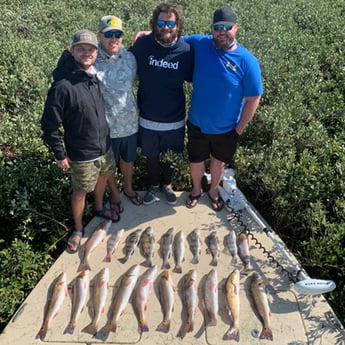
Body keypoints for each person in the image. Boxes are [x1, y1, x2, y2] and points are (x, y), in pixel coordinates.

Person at [41, 29, 121, 254]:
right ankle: (77, 228)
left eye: (91, 49)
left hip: (104, 146)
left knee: (104, 177)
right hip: (82, 152)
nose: (86, 53)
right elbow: (49, 125)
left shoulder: (93, 76)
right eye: (81, 49)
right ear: (72, 51)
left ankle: (98, 208)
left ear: (96, 53)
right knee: (80, 190)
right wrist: (59, 153)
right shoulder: (62, 86)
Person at [184, 6, 263, 211]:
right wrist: (149, 34)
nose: (222, 31)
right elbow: (173, 39)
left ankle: (212, 191)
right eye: (218, 27)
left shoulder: (247, 61)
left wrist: (238, 130)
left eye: (227, 27)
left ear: (236, 28)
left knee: (218, 163)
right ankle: (195, 190)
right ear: (212, 29)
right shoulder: (201, 43)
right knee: (196, 160)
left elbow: (254, 98)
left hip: (227, 129)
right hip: (196, 123)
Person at [130, 2, 194, 205]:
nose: (165, 27)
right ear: (154, 23)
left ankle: (167, 185)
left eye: (170, 23)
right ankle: (153, 186)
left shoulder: (186, 51)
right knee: (151, 157)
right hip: (147, 116)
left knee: (169, 159)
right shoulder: (142, 45)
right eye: (161, 22)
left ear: (178, 26)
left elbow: (197, 75)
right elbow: (119, 57)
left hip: (174, 119)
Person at [96, 15, 143, 209]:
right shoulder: (92, 59)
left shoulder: (130, 57)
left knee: (128, 161)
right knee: (107, 169)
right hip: (107, 128)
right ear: (100, 36)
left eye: (118, 34)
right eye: (109, 34)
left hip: (131, 123)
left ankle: (129, 189)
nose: (114, 38)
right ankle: (115, 194)